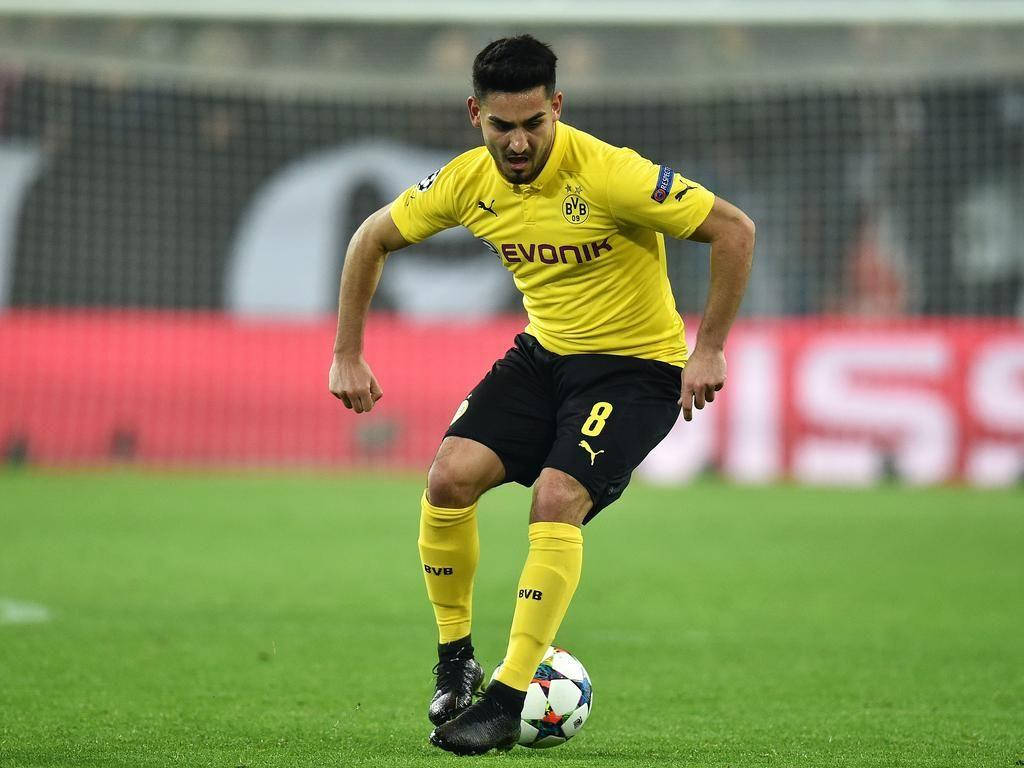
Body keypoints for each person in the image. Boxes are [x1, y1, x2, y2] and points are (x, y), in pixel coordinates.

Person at [328, 35, 755, 756]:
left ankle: (507, 697)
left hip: (634, 369)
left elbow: (733, 230)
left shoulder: (611, 175)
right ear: (475, 115)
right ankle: (455, 660)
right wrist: (346, 353)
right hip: (544, 355)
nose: (520, 141)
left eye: (535, 123)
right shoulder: (468, 182)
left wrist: (707, 346)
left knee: (556, 499)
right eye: (503, 127)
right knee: (447, 478)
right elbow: (370, 237)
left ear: (557, 106)